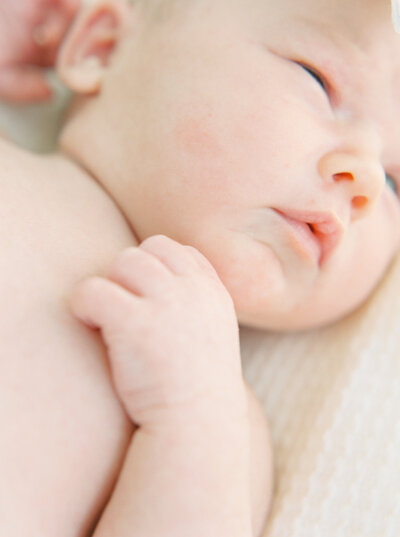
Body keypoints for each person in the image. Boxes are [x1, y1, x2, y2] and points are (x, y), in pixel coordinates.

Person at [1, 0, 400, 535]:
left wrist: (190, 419)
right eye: (318, 80)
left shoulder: (223, 425)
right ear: (102, 47)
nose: (367, 182)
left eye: (396, 182)